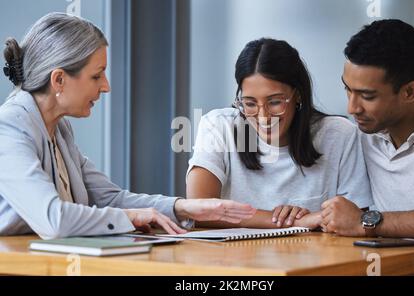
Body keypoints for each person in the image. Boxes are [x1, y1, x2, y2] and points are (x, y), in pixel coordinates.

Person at [0, 12, 256, 240]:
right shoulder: (9, 127)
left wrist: (182, 207)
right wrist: (130, 217)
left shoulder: (59, 129)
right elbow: (52, 219)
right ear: (59, 80)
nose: (106, 86)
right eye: (96, 75)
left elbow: (109, 198)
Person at [186, 38, 372, 229]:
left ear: (298, 95)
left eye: (275, 102)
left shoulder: (339, 135)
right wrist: (295, 222)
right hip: (235, 257)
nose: (263, 116)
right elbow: (198, 210)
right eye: (249, 103)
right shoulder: (218, 125)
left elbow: (354, 220)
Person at [321, 19, 414, 240]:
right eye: (347, 89)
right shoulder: (360, 132)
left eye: (368, 96)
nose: (352, 108)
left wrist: (369, 223)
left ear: (409, 92)